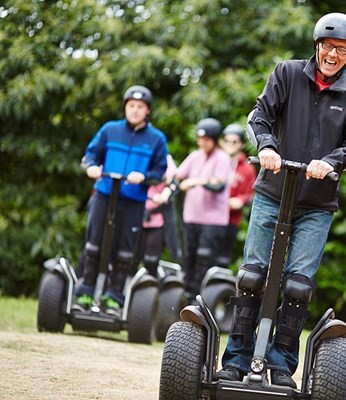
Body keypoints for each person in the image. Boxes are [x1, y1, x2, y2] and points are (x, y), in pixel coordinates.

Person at [214, 12, 346, 389]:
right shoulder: (286, 74)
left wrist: (331, 161)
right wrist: (267, 147)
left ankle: (282, 364)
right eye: (328, 46)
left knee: (298, 286)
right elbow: (259, 118)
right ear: (316, 45)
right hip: (272, 192)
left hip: (316, 203)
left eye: (342, 49)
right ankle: (236, 359)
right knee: (252, 277)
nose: (333, 55)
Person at [73, 85, 168, 316]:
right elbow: (90, 155)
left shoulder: (156, 139)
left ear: (147, 111)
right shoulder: (110, 130)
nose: (135, 110)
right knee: (93, 245)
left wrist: (144, 177)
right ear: (126, 107)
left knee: (125, 250)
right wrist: (92, 167)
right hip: (104, 195)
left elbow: (160, 172)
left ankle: (114, 297)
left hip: (133, 201)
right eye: (131, 106)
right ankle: (85, 292)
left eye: (140, 107)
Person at [176, 117, 232, 303]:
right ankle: (185, 295)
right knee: (188, 256)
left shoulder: (222, 158)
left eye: (207, 139)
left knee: (204, 257)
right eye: (201, 139)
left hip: (213, 220)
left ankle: (200, 299)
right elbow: (178, 176)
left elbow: (218, 184)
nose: (203, 143)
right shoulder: (194, 156)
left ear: (215, 140)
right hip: (192, 216)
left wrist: (195, 181)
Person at [216, 123, 257, 266]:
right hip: (210, 216)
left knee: (222, 257)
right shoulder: (215, 161)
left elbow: (249, 193)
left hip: (230, 219)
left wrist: (240, 200)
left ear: (241, 144)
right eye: (227, 141)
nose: (230, 145)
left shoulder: (247, 169)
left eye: (234, 142)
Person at [139, 154, 181, 277]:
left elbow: (174, 181)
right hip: (135, 214)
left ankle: (149, 288)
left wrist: (166, 194)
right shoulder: (138, 155)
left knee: (151, 260)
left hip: (157, 218)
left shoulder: (164, 157)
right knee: (128, 257)